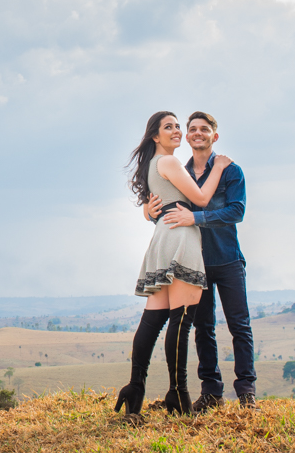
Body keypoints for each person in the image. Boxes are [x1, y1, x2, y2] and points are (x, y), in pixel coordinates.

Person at [115, 111, 231, 416]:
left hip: (163, 237)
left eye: (178, 126)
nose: (177, 130)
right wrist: (219, 166)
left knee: (153, 320)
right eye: (169, 127)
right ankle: (178, 394)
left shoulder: (153, 164)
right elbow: (201, 199)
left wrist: (147, 211)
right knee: (181, 320)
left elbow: (155, 205)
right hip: (181, 237)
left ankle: (135, 387)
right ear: (155, 136)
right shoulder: (169, 162)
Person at [147, 111, 256, 411]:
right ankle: (211, 392)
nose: (197, 133)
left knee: (239, 326)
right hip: (195, 263)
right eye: (192, 129)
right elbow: (167, 212)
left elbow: (236, 211)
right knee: (203, 328)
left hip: (228, 259)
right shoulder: (179, 173)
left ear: (214, 136)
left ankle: (247, 393)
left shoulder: (231, 171)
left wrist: (195, 217)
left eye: (204, 129)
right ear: (188, 137)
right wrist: (149, 212)